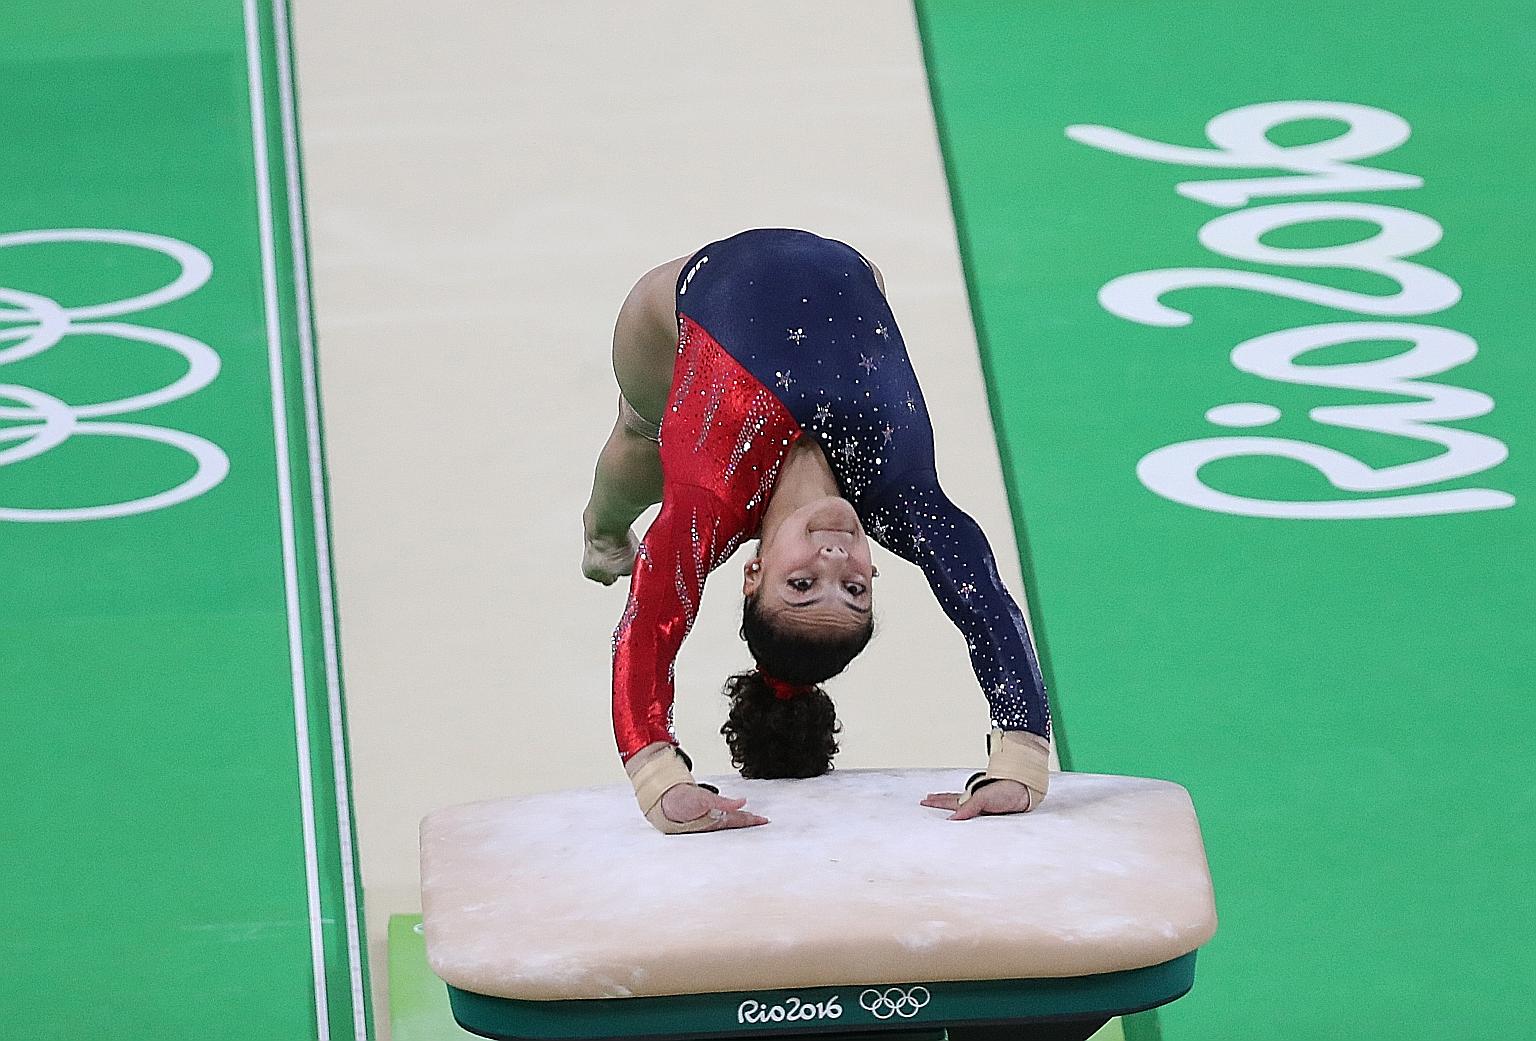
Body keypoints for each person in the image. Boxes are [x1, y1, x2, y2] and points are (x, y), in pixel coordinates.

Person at [583, 229, 1051, 835]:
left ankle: (602, 535)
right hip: (845, 269)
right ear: (875, 572)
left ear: (752, 573)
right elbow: (986, 606)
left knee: (642, 435)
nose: (834, 558)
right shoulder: (903, 499)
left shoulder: (709, 506)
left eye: (802, 584)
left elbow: (648, 627)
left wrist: (656, 775)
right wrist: (1021, 760)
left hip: (685, 297)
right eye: (854, 590)